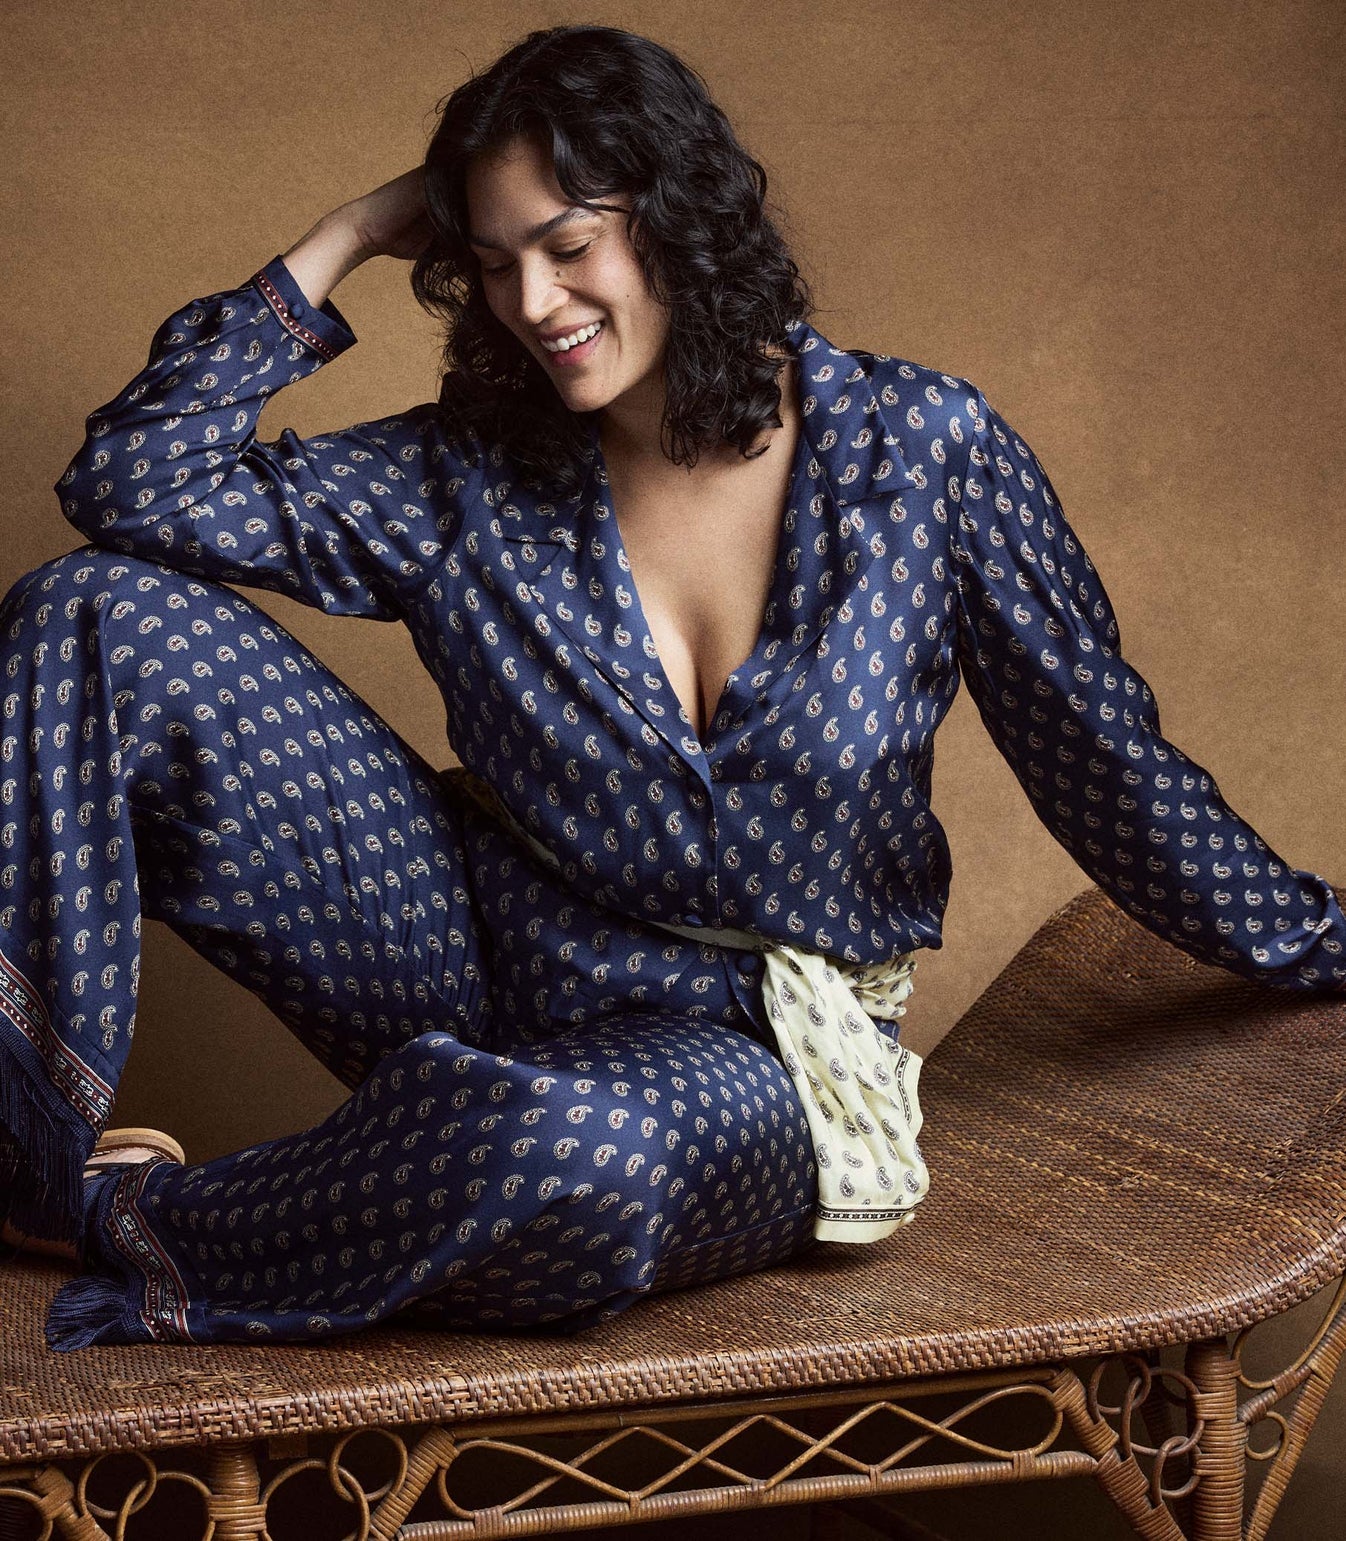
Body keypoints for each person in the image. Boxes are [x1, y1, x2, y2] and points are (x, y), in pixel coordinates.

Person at [2, 24, 1342, 1353]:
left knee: (567, 1156)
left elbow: (1110, 768)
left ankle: (133, 1218)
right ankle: (25, 1161)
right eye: (493, 263)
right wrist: (351, 230)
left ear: (676, 216)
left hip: (744, 1050)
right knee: (92, 615)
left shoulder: (924, 455)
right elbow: (134, 484)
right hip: (461, 950)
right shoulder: (469, 474)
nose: (534, 303)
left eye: (568, 245)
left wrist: (1317, 941)